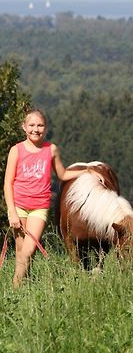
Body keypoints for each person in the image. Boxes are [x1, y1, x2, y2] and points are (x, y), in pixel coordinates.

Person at [4, 108, 102, 287]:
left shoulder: (51, 150)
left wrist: (87, 171)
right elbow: (7, 182)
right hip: (18, 206)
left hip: (39, 207)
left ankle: (14, 288)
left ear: (46, 128)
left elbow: (63, 174)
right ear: (24, 127)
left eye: (40, 125)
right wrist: (11, 211)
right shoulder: (16, 150)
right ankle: (27, 285)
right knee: (21, 252)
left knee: (28, 250)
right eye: (32, 125)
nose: (36, 129)